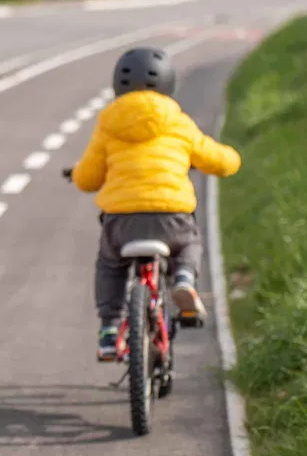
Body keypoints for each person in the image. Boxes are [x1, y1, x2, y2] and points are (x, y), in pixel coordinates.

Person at [71, 46, 240, 360]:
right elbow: (215, 159)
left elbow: (88, 178)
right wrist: (233, 160)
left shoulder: (108, 124)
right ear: (168, 84)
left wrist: (77, 175)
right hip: (171, 216)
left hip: (121, 221)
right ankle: (184, 279)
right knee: (190, 242)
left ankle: (109, 330)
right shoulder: (178, 123)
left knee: (110, 265)